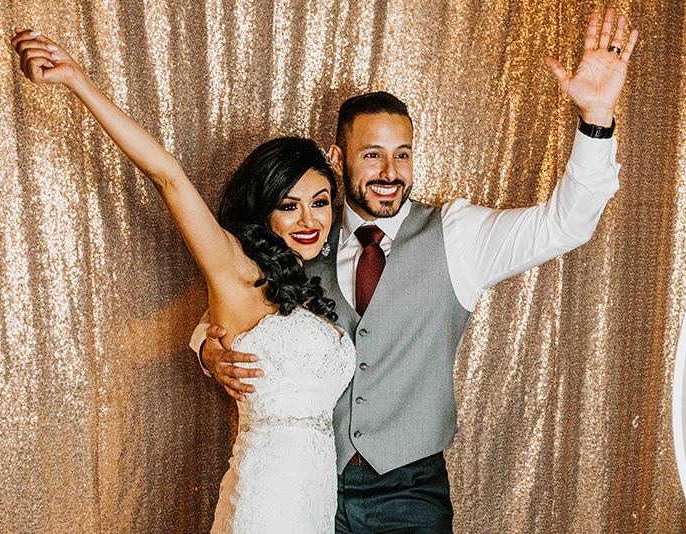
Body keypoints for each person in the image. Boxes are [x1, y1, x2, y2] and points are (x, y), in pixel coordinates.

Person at [193, 7, 638, 533]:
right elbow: (235, 304)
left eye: (402, 155)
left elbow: (566, 224)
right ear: (337, 157)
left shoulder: (458, 234)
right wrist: (207, 350)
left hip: (409, 491)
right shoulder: (303, 234)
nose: (390, 172)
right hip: (310, 484)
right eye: (372, 155)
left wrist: (596, 119)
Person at [10, 29, 356, 533]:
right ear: (264, 212)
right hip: (269, 499)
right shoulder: (236, 270)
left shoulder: (303, 291)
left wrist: (205, 347)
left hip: (315, 497)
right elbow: (168, 176)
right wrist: (78, 81)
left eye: (320, 202)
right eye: (289, 205)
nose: (309, 220)